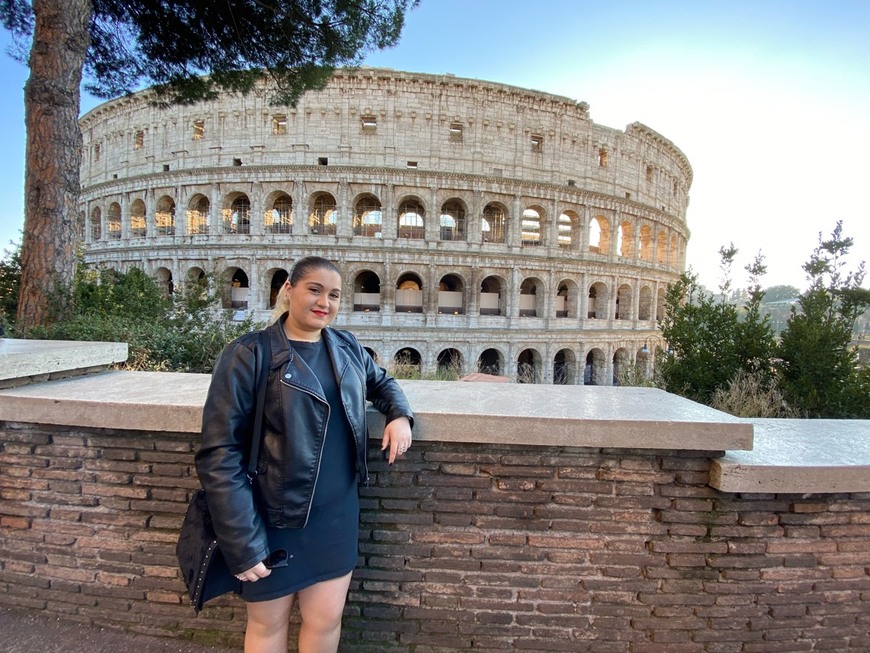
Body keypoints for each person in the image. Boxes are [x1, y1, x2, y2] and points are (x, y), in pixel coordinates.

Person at [195, 256, 413, 653]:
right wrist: (241, 540)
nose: (324, 302)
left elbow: (382, 383)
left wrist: (399, 415)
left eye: (333, 295)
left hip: (335, 515)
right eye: (314, 289)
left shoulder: (344, 346)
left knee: (327, 622)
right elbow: (219, 453)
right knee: (267, 624)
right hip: (272, 516)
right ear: (287, 290)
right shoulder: (248, 354)